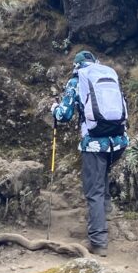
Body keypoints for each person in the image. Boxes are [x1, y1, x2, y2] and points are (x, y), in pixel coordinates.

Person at [52, 50, 129, 257]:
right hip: (118, 141)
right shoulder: (108, 74)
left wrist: (54, 109)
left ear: (77, 65)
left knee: (94, 190)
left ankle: (98, 241)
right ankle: (104, 222)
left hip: (94, 143)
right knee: (101, 182)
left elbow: (65, 114)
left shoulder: (77, 80)